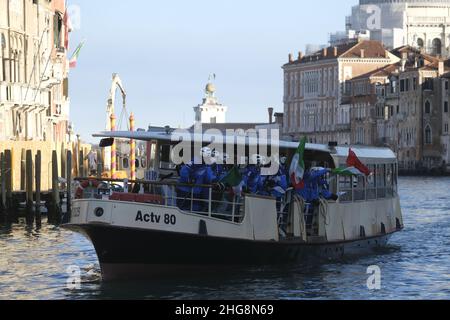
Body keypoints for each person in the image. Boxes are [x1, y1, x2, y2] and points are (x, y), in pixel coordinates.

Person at [177, 147, 218, 212]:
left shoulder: (206, 165)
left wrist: (216, 181)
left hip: (196, 192)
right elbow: (184, 171)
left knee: (195, 210)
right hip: (184, 191)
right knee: (182, 209)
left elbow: (209, 177)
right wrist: (188, 179)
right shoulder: (193, 162)